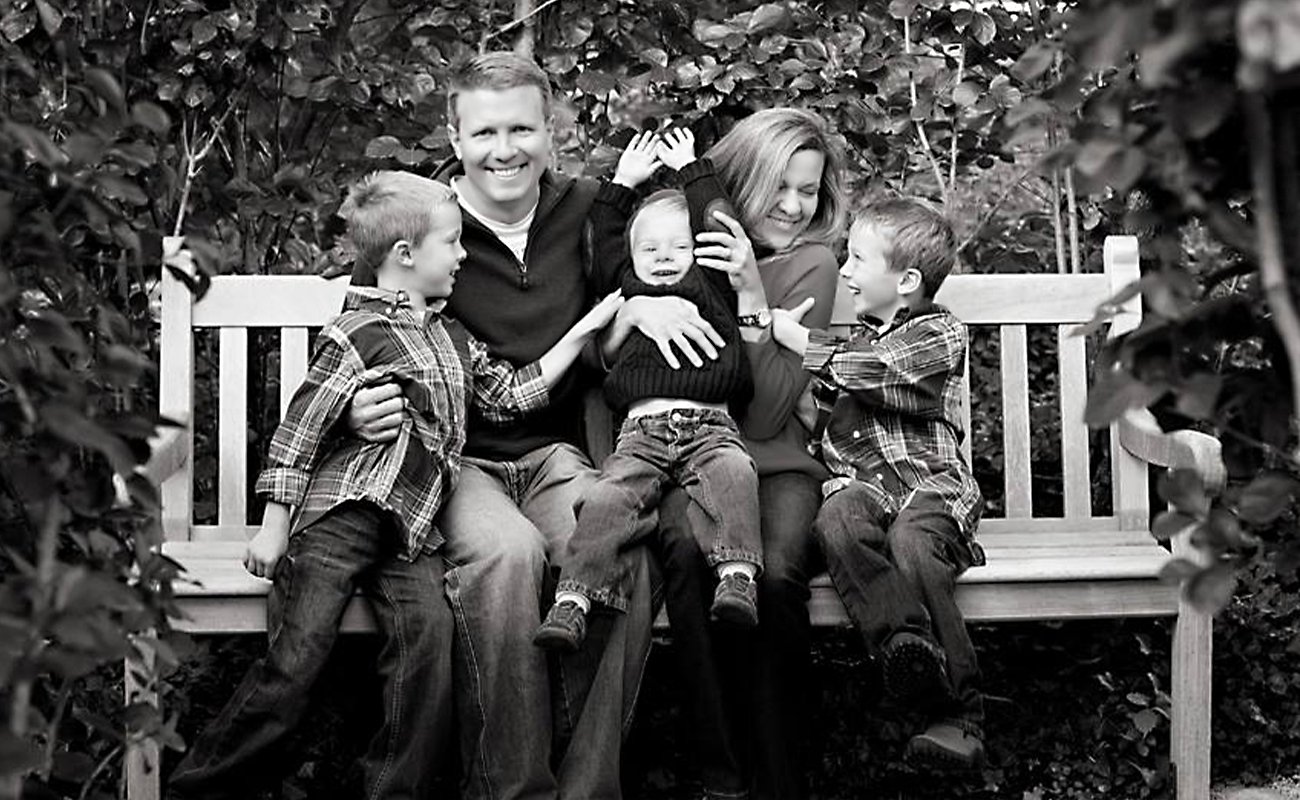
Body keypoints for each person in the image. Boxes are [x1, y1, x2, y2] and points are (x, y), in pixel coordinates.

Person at [167, 171, 620, 800]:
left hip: (409, 534)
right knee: (294, 663)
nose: (464, 255)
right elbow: (300, 427)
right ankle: (202, 786)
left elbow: (511, 396)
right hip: (341, 521)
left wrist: (585, 329)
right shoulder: (358, 333)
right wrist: (274, 526)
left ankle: (393, 789)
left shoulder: (449, 335)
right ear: (406, 256)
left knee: (427, 650)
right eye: (454, 243)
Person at [343, 53, 724, 800]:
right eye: (485, 131)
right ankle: (512, 790)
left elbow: (662, 264)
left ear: (552, 131)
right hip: (458, 461)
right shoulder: (425, 225)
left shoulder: (590, 208)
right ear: (454, 138)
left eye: (523, 127)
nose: (505, 148)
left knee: (618, 550)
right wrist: (359, 404)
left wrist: (642, 305)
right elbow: (362, 332)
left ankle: (588, 789)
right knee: (508, 557)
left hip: (559, 453)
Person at [644, 111, 847, 799]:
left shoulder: (812, 262)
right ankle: (721, 779)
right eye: (779, 187)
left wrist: (754, 299)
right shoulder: (684, 246)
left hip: (777, 460)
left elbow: (764, 412)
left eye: (809, 190)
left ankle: (782, 781)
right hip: (690, 457)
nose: (794, 206)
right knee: (682, 546)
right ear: (741, 181)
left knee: (780, 569)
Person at [769, 197, 988, 770]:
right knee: (836, 521)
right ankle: (904, 647)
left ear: (908, 280)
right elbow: (819, 418)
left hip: (930, 487)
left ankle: (962, 713)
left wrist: (799, 342)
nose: (844, 270)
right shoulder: (856, 337)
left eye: (858, 259)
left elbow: (878, 374)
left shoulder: (938, 333)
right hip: (863, 487)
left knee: (913, 544)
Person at [534, 133, 762, 653]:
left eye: (679, 247)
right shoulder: (627, 291)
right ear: (632, 258)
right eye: (649, 248)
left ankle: (738, 576)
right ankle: (572, 603)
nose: (663, 257)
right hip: (641, 435)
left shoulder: (712, 286)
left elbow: (717, 224)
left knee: (735, 474)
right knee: (607, 498)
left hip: (711, 428)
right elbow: (604, 238)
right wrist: (623, 184)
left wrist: (692, 170)